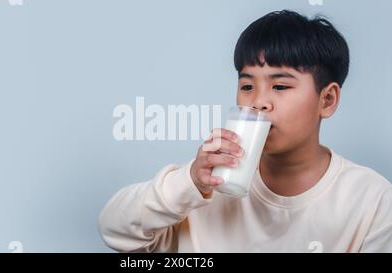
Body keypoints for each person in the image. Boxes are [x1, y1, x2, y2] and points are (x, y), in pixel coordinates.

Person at [98, 10, 392, 252]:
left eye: (280, 86)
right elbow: (114, 230)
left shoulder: (371, 200)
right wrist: (189, 182)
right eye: (247, 86)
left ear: (326, 100)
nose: (258, 102)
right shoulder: (203, 190)